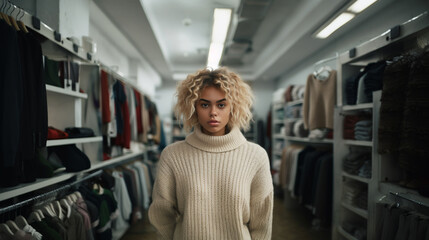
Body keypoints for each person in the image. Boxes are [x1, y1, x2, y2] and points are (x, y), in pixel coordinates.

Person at [148, 67, 273, 239]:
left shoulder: (256, 156)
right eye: (205, 104)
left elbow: (262, 222)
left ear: (233, 107)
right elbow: (161, 214)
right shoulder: (173, 155)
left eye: (221, 104)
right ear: (193, 107)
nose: (213, 112)